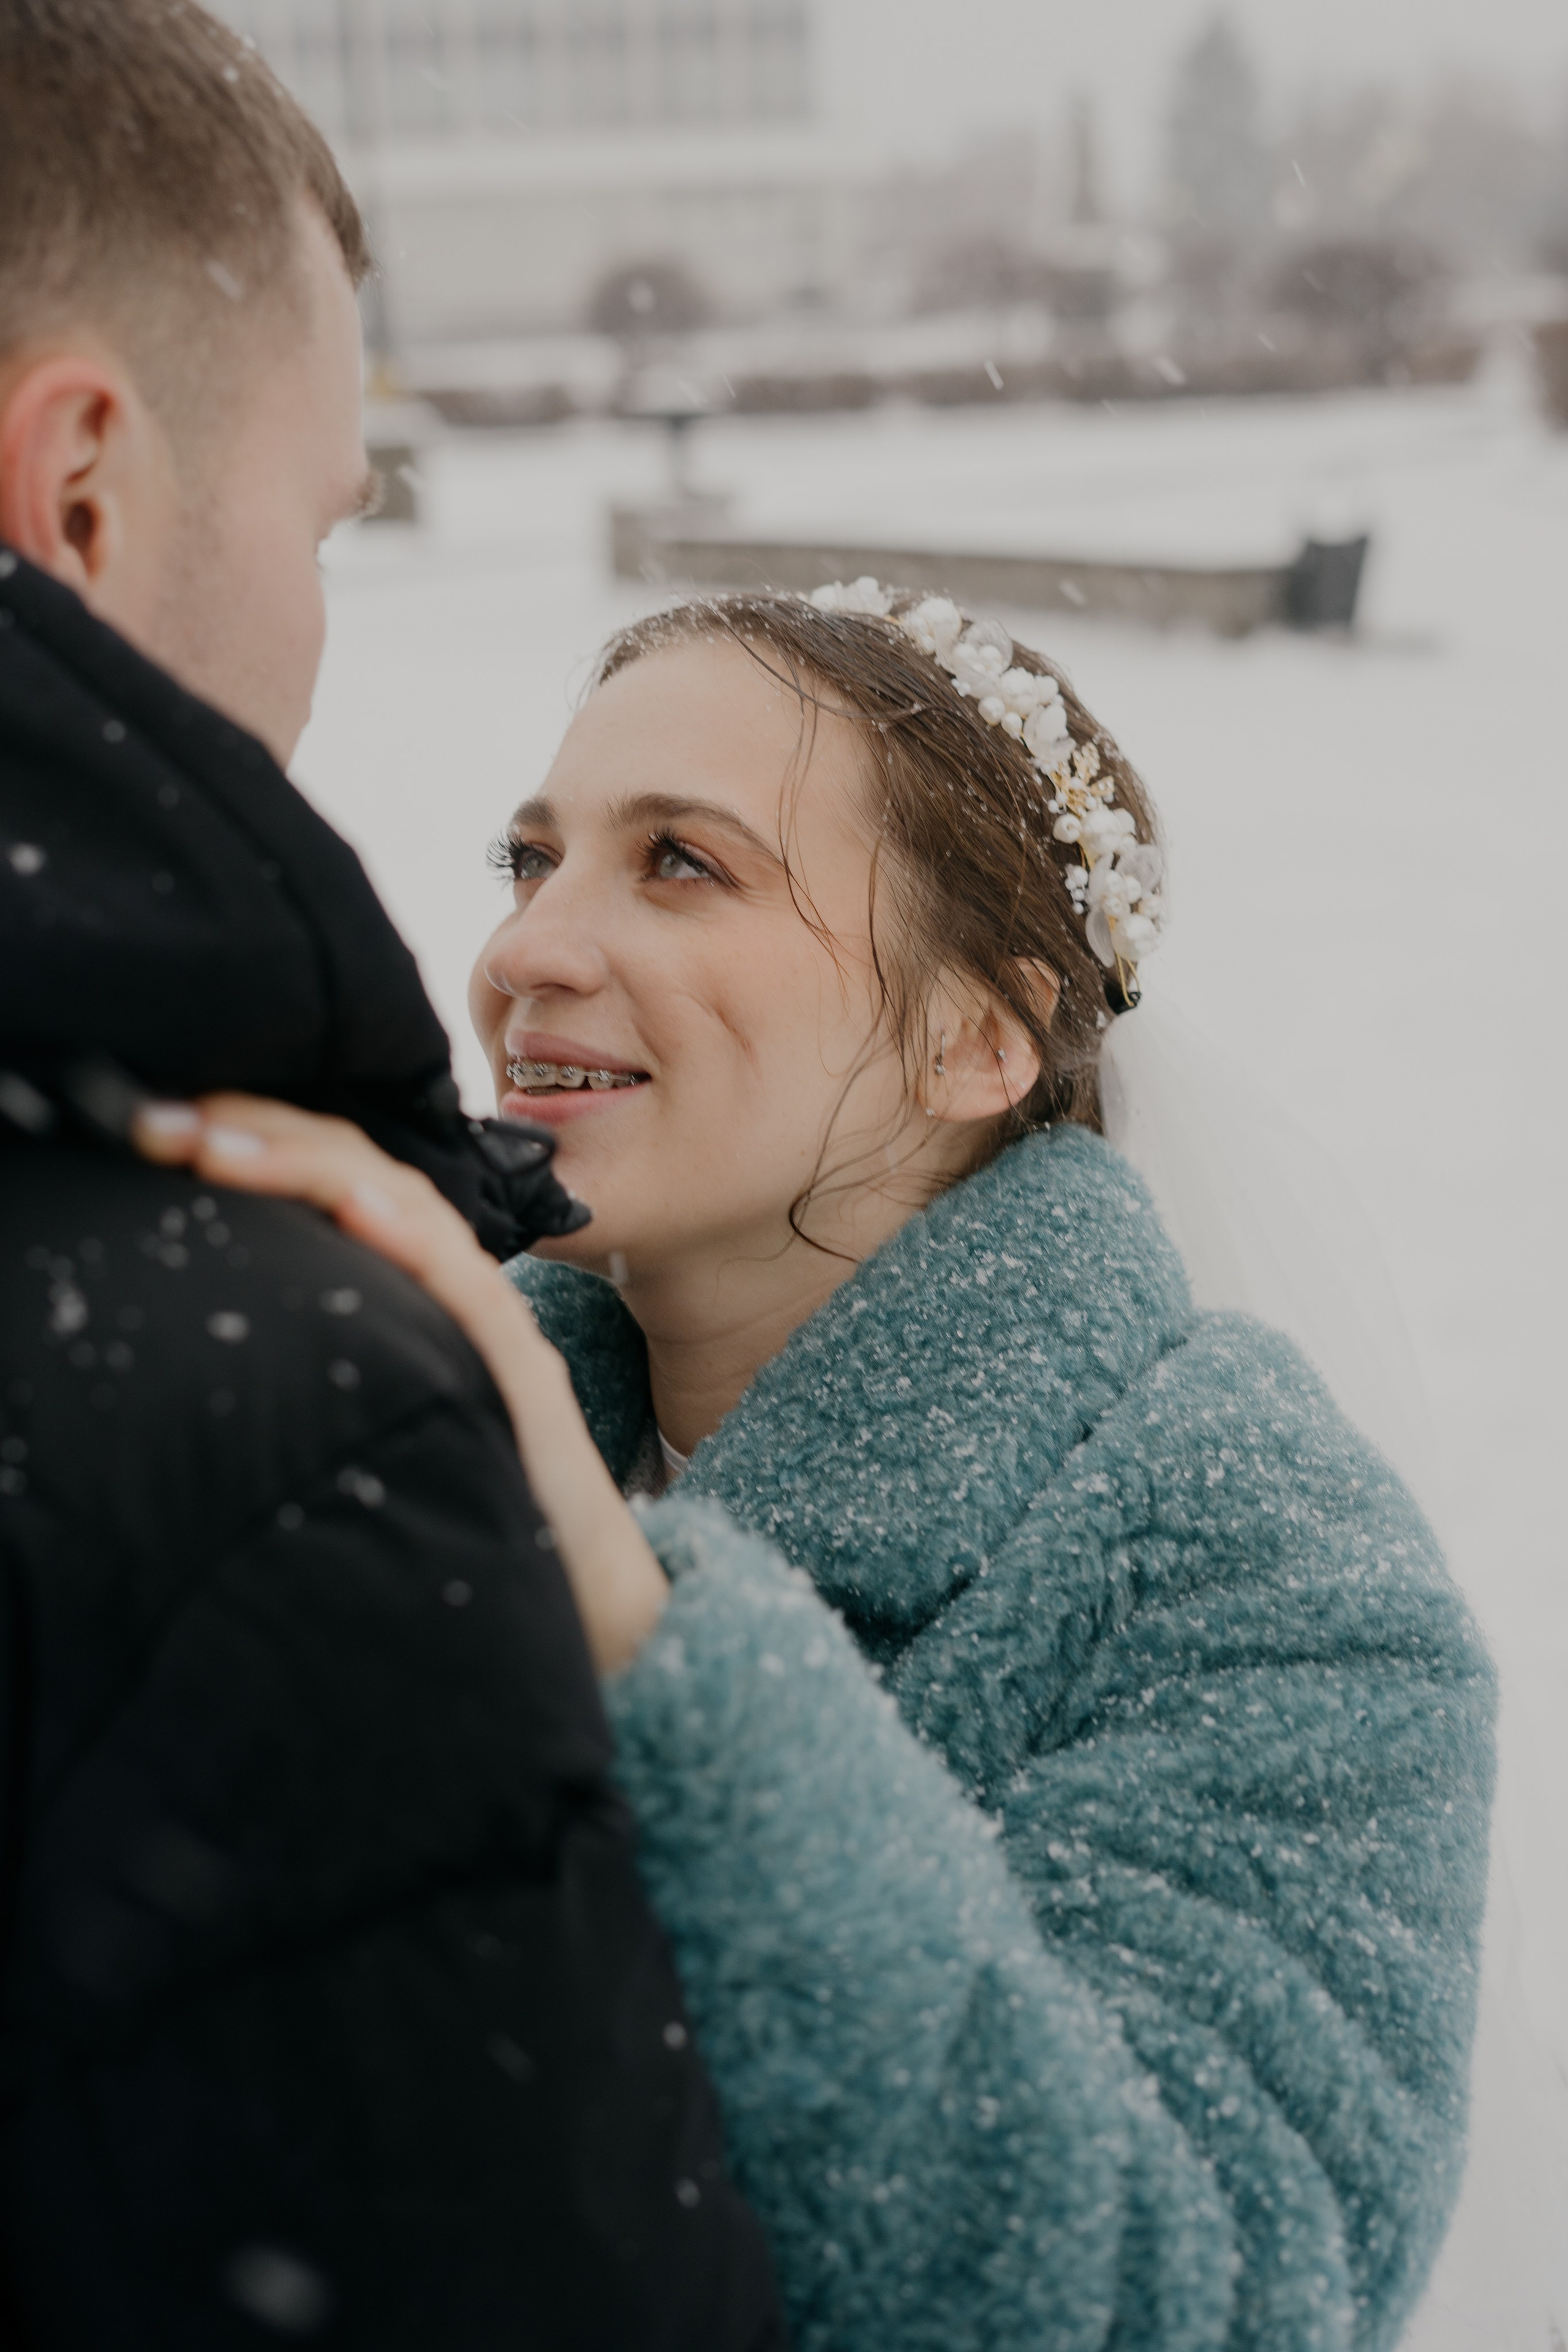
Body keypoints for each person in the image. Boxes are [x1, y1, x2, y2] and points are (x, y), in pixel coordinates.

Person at [154, 583, 1499, 2351]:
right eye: (530, 858)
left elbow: (1192, 2299)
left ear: (978, 1038)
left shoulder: (1263, 1563)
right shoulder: (364, 1442)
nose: (526, 951)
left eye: (681, 864)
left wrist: (635, 1622)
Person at [0, 6, 785, 2346]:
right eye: (329, 517)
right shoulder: (271, 1396)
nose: (536, 945)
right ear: (80, 490)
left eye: (690, 864)